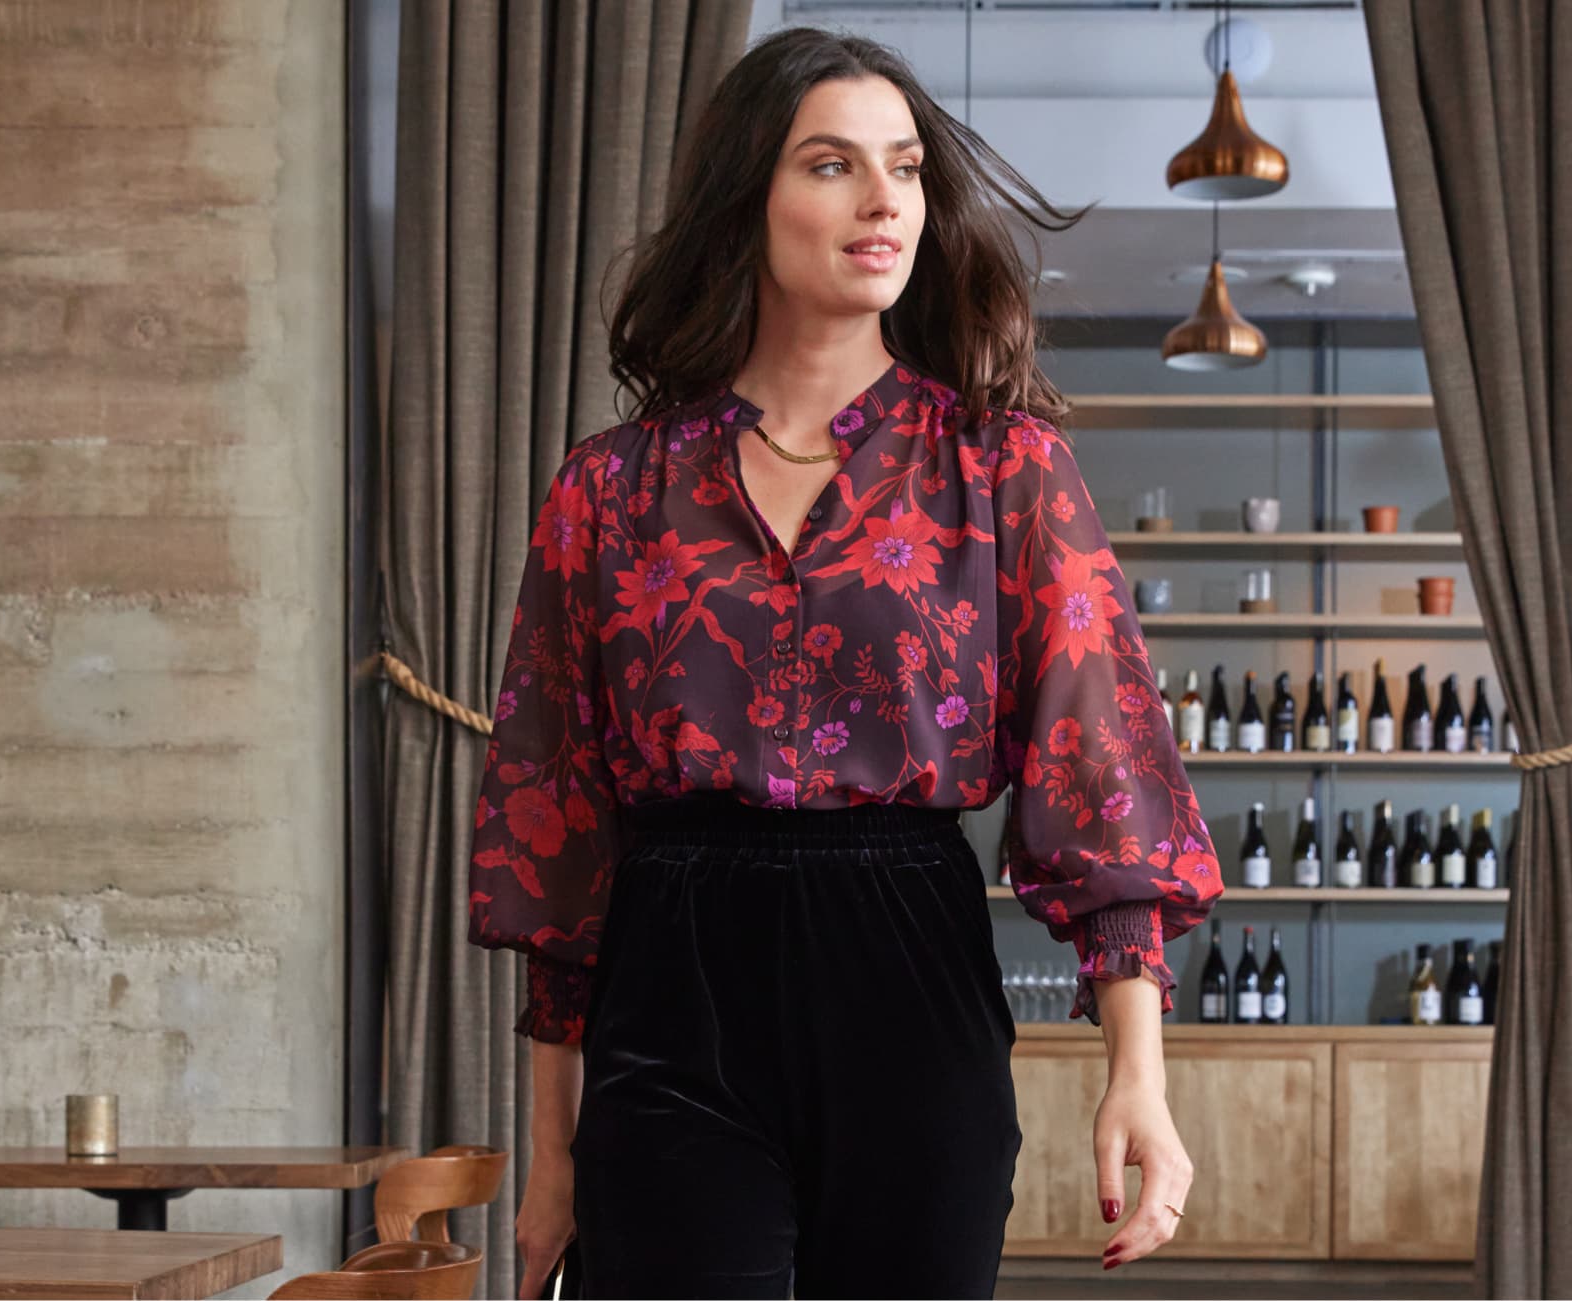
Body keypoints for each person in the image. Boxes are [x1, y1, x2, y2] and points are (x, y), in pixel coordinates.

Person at [466, 26, 1222, 1300]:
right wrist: (554, 1154)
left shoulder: (1002, 469)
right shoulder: (613, 487)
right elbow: (559, 826)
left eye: (907, 166)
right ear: (744, 200)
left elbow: (1103, 765)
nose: (885, 202)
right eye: (832, 165)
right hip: (675, 985)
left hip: (909, 975)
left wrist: (1137, 1077)